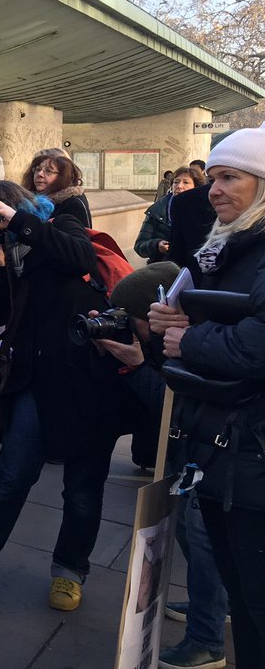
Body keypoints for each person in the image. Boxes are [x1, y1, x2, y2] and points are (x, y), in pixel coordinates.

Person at [0, 180, 130, 613]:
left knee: (83, 490)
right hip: (34, 381)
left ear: (18, 208)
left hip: (89, 382)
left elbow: (80, 257)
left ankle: (70, 570)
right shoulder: (4, 254)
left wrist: (22, 225)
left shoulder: (60, 223)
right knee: (11, 477)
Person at [150, 125, 265, 668]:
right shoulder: (228, 244)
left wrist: (186, 337)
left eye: (230, 177)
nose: (214, 189)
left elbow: (254, 346)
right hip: (223, 444)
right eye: (213, 177)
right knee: (241, 598)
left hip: (253, 452)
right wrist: (177, 318)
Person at [96, 263, 230, 669]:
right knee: (193, 529)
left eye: (134, 319)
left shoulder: (187, 344)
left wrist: (137, 367)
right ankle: (212, 603)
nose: (133, 328)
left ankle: (206, 642)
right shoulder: (179, 336)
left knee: (203, 535)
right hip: (203, 448)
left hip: (216, 448)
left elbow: (173, 407)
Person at [135, 165, 204, 265]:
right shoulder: (156, 211)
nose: (179, 186)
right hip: (163, 269)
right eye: (176, 182)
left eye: (186, 182)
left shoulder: (205, 211)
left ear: (196, 187)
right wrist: (157, 244)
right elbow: (140, 246)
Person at [20, 149, 91, 227]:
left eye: (48, 171)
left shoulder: (73, 203)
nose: (40, 174)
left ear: (63, 175)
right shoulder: (29, 199)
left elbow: (76, 238)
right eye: (37, 169)